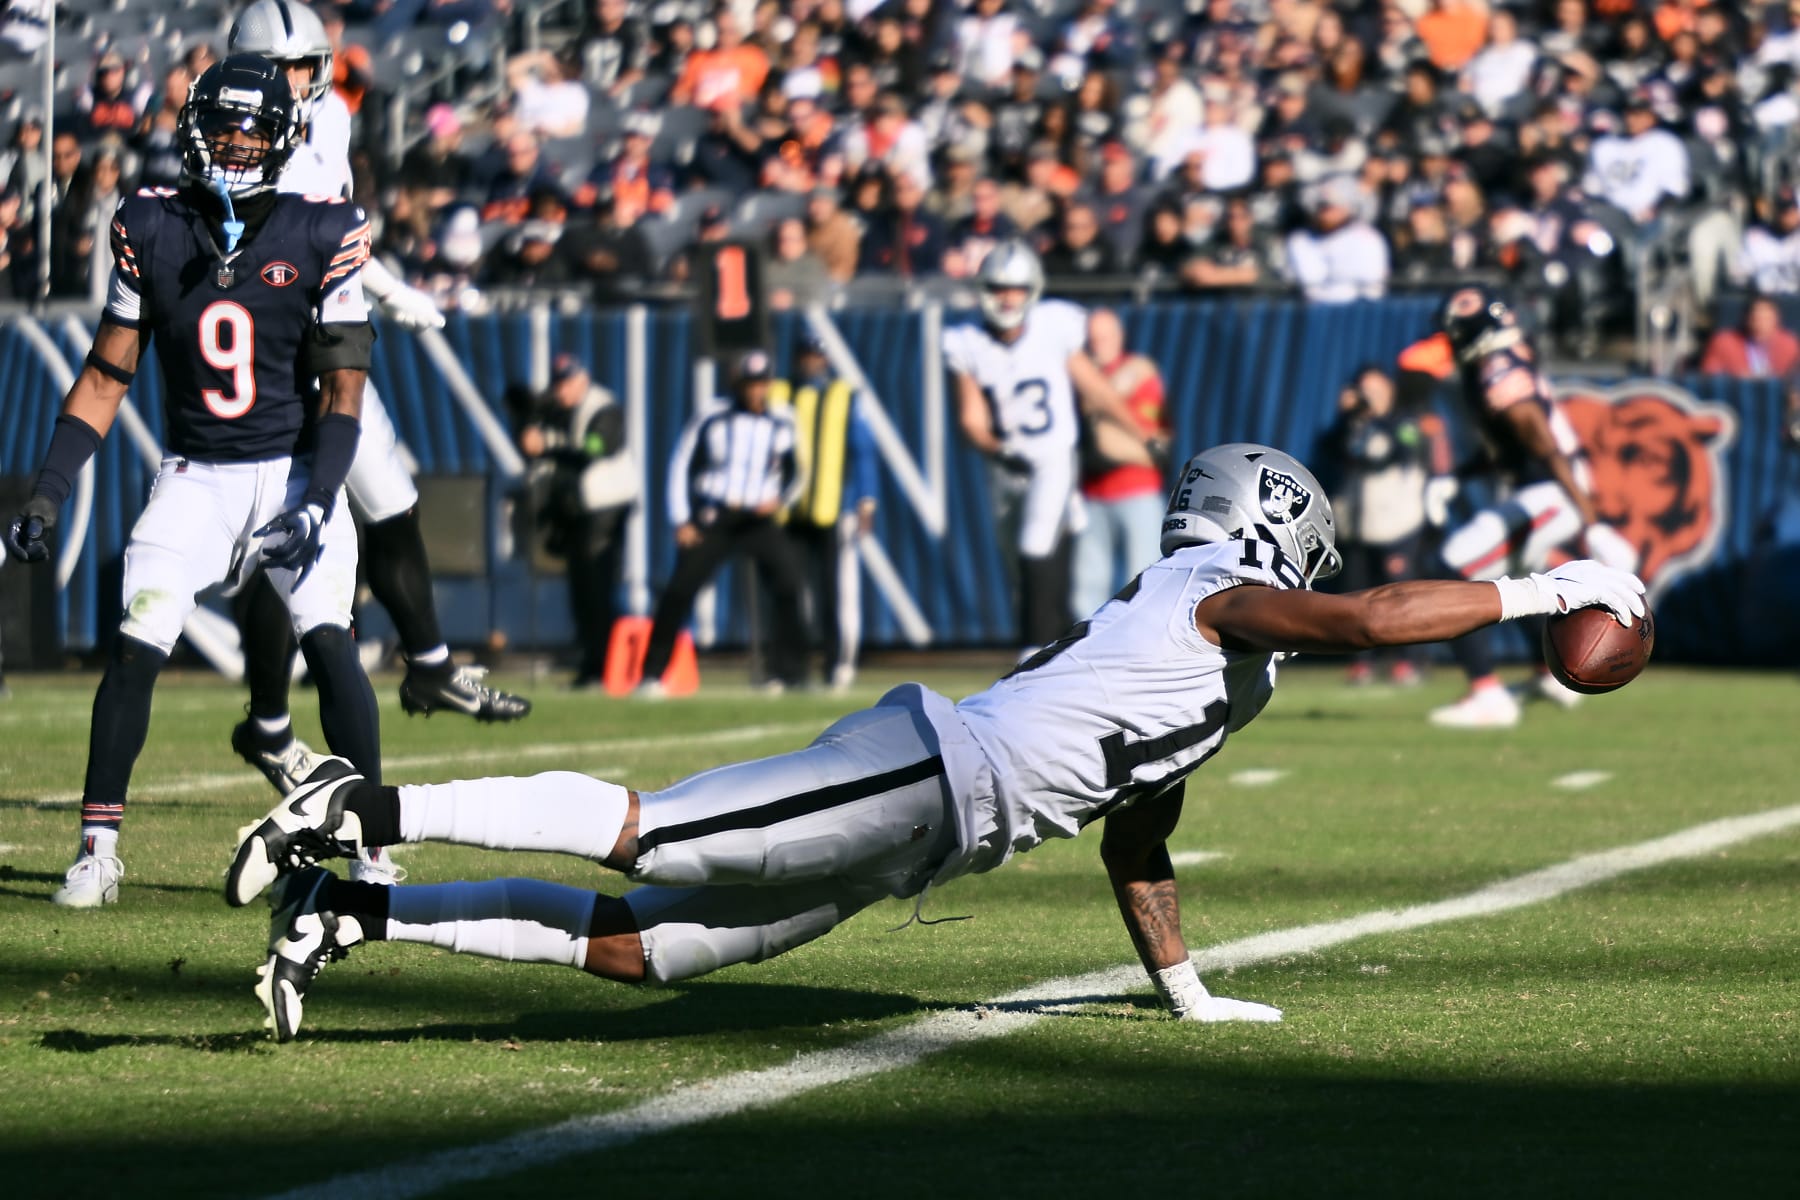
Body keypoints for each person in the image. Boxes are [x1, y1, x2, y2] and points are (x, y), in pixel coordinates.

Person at [221, 442, 1648, 1043]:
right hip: (925, 772)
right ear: (1269, 520)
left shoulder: (1234, 672)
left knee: (643, 949)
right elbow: (1369, 618)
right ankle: (370, 802)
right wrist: (1550, 584)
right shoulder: (1210, 592)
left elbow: (1139, 830)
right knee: (656, 828)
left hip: (931, 832)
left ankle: (352, 904)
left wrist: (1188, 993)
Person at [3, 55, 381, 908]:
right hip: (197, 476)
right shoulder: (152, 224)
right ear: (192, 127)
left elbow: (343, 390)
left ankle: (372, 856)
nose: (237, 141)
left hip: (291, 469)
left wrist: (320, 499)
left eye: (253, 126)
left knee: (327, 636)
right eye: (223, 124)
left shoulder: (325, 230)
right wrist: (49, 489)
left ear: (284, 135)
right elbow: (106, 374)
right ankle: (97, 849)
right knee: (137, 640)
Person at [224, 0, 530, 820]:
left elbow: (344, 229)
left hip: (335, 341)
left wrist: (383, 290)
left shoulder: (323, 120)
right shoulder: (240, 145)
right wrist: (391, 291)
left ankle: (424, 663)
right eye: (292, 67)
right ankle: (274, 720)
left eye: (309, 65)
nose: (307, 80)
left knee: (392, 506)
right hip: (279, 359)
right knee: (291, 538)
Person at [1403, 286, 1639, 729]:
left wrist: (1593, 523)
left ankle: (1487, 693)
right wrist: (1456, 477)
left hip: (1551, 494)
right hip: (1546, 491)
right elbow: (1509, 448)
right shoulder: (1500, 364)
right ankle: (1549, 676)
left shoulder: (1497, 370)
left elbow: (1543, 442)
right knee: (1517, 585)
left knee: (1453, 568)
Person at [945, 239, 1140, 651]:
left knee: (1037, 547)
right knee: (1023, 568)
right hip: (1004, 464)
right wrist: (995, 448)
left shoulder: (1055, 326)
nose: (1007, 297)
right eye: (999, 287)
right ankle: (1058, 647)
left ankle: (1031, 657)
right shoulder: (967, 342)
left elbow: (1095, 388)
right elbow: (970, 417)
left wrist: (1140, 432)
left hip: (1052, 457)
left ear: (1031, 289)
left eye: (1015, 288)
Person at [637, 350, 809, 697]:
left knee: (789, 585)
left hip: (758, 518)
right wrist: (681, 518)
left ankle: (789, 674)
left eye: (762, 383)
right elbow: (681, 462)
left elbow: (798, 471)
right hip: (715, 514)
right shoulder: (713, 415)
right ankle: (652, 675)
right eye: (750, 383)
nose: (756, 390)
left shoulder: (783, 419)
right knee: (680, 590)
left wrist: (780, 501)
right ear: (738, 383)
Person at [769, 333, 879, 691]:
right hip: (788, 510)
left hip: (835, 506)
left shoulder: (842, 396)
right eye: (805, 355)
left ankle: (839, 664)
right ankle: (787, 669)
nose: (811, 362)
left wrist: (866, 499)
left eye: (816, 356)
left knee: (837, 592)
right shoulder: (779, 395)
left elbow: (863, 450)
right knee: (788, 591)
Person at [519, 354, 636, 690]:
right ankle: (591, 663)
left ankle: (605, 666)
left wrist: (547, 447)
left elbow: (594, 449)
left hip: (607, 507)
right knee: (581, 591)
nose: (562, 391)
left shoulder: (604, 408)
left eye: (567, 383)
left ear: (582, 380)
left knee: (597, 588)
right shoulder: (560, 409)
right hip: (581, 509)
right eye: (558, 384)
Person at [1325, 365, 1437, 687]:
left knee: (1400, 591)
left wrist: (1377, 419)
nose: (1368, 397)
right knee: (1358, 595)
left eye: (1375, 390)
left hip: (1398, 522)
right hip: (1359, 524)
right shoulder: (1353, 425)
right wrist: (1346, 417)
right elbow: (1332, 450)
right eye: (1363, 390)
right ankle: (1362, 661)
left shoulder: (1404, 421)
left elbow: (1398, 452)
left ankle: (1409, 659)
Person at [1071, 308, 1169, 620]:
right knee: (1088, 586)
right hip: (1093, 492)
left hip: (1137, 489)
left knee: (1145, 582)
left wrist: (1103, 404)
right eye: (1093, 338)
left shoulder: (1139, 371)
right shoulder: (1081, 375)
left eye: (1105, 337)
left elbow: (1151, 437)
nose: (1098, 344)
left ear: (1119, 338)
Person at [1699, 294, 1800, 379]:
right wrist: (1735, 376)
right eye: (1756, 318)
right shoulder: (1723, 342)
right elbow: (1709, 377)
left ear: (1776, 320)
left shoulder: (1790, 345)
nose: (1761, 324)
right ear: (1747, 319)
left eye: (1766, 319)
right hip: (1736, 396)